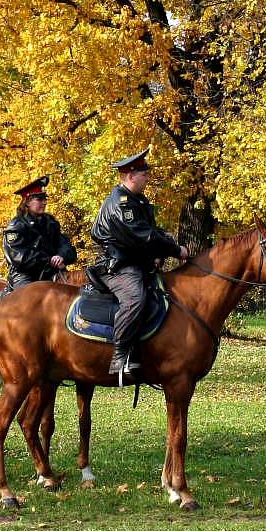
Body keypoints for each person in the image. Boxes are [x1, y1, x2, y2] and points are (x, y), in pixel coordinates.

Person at [91, 149, 189, 376]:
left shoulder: (138, 200)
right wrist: (175, 249)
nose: (148, 178)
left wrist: (165, 236)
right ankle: (120, 355)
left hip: (135, 262)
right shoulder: (121, 203)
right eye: (144, 174)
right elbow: (142, 235)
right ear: (130, 176)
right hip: (118, 266)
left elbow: (151, 231)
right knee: (135, 297)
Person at [2, 175, 77, 293]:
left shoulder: (50, 222)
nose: (44, 202)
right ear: (27, 202)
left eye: (45, 199)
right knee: (31, 301)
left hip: (51, 272)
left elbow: (65, 244)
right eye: (40, 199)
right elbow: (19, 257)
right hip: (25, 276)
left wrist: (61, 256)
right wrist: (49, 260)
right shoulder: (15, 226)